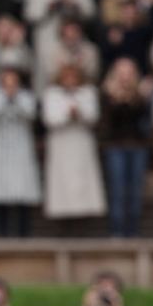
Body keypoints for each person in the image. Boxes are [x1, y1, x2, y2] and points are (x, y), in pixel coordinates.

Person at [42, 64, 106, 225]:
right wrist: (67, 114)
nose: (70, 81)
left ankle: (82, 222)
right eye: (66, 77)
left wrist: (79, 113)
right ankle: (63, 223)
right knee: (62, 183)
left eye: (73, 77)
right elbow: (49, 118)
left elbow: (93, 117)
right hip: (61, 143)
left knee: (82, 183)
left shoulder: (88, 92)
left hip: (81, 141)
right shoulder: (52, 94)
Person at [0, 66, 40, 237]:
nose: (10, 86)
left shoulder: (26, 96)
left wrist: (15, 99)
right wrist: (6, 98)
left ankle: (23, 233)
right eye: (7, 82)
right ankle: (2, 232)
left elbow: (30, 114)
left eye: (13, 82)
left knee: (22, 190)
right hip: (0, 148)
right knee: (1, 191)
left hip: (21, 147)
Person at [99, 59, 152, 237]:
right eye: (122, 72)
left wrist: (139, 97)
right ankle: (117, 231)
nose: (125, 76)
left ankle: (133, 231)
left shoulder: (141, 95)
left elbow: (143, 121)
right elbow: (110, 123)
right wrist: (117, 99)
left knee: (135, 190)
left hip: (138, 147)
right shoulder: (107, 94)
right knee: (118, 190)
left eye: (129, 72)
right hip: (116, 147)